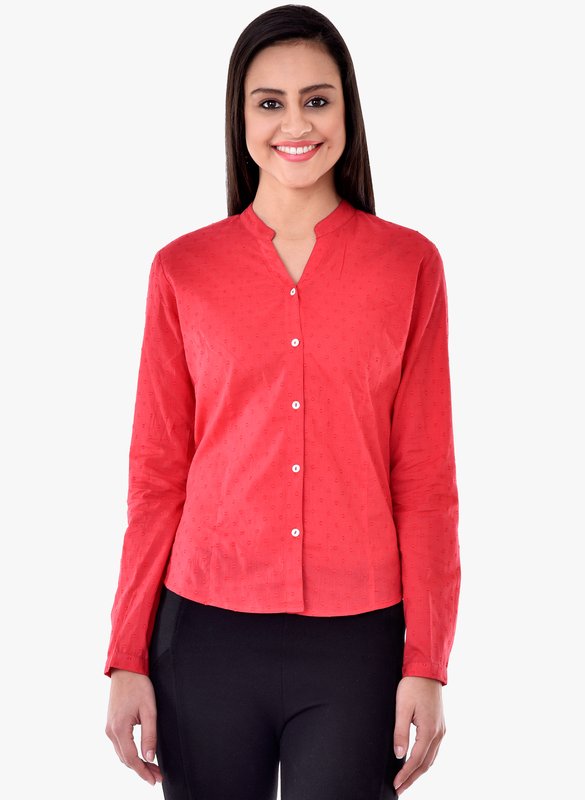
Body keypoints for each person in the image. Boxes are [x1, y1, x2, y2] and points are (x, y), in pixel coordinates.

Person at [104, 5, 461, 799]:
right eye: (269, 102)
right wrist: (126, 655)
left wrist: (427, 663)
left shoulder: (408, 265)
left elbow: (426, 483)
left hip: (357, 645)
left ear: (346, 112)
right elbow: (156, 475)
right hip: (201, 637)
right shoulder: (183, 270)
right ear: (240, 119)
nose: (294, 124)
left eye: (316, 100)